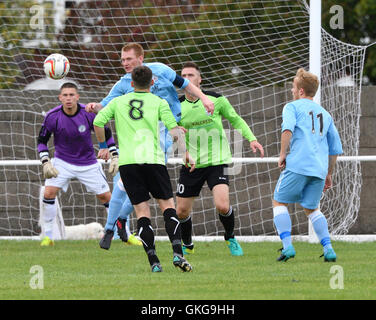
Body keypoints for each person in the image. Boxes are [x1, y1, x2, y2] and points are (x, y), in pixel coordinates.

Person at [86, 42, 215, 250]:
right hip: (138, 135)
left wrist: (204, 98)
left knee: (139, 185)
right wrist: (94, 106)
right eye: (122, 60)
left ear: (141, 57)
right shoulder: (123, 83)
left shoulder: (162, 70)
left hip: (166, 129)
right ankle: (112, 227)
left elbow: (185, 85)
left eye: (128, 59)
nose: (125, 63)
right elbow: (105, 105)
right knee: (124, 182)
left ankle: (118, 222)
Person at [94, 65, 194, 272]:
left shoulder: (118, 102)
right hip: (154, 161)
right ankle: (177, 253)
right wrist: (184, 153)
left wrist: (104, 147)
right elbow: (175, 130)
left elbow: (98, 120)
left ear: (131, 84)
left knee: (142, 212)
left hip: (129, 163)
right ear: (152, 83)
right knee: (167, 206)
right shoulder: (159, 102)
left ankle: (154, 262)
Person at [176, 62, 264, 256]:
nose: (187, 78)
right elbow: (172, 129)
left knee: (223, 205)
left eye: (191, 75)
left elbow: (235, 119)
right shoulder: (176, 104)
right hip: (192, 163)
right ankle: (187, 242)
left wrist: (252, 139)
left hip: (217, 161)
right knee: (181, 211)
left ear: (200, 79)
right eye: (183, 75)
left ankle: (230, 237)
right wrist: (179, 143)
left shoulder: (216, 99)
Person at [272, 68, 343, 262]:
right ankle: (328, 249)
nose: (292, 91)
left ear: (301, 91)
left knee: (279, 202)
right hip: (319, 169)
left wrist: (282, 154)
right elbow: (335, 148)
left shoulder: (292, 107)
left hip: (298, 164)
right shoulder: (325, 114)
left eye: (294, 87)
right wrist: (329, 174)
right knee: (312, 209)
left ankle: (287, 247)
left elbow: (287, 130)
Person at [37, 82, 117, 246]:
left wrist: (113, 153)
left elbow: (107, 132)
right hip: (62, 162)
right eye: (65, 95)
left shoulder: (88, 113)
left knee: (107, 197)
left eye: (71, 95)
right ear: (60, 97)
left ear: (77, 97)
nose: (68, 98)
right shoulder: (52, 116)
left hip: (88, 162)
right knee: (48, 193)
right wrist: (46, 162)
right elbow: (42, 141)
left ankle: (117, 234)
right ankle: (48, 236)